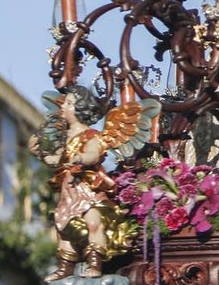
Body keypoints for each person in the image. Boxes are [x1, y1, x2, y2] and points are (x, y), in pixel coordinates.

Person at [29, 85, 157, 281]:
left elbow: (93, 153)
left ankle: (95, 262)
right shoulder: (65, 139)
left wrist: (82, 158)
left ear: (80, 109)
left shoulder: (91, 135)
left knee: (94, 222)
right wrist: (39, 152)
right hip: (69, 190)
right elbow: (55, 161)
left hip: (88, 189)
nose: (63, 107)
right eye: (65, 103)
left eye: (69, 104)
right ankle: (65, 266)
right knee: (63, 227)